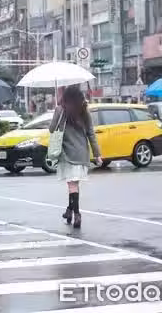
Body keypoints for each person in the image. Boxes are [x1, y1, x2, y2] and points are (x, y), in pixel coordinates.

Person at [49, 85, 102, 229]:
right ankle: (69, 211)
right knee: (74, 185)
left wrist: (57, 111)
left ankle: (77, 214)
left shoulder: (61, 110)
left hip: (67, 153)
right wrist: (97, 154)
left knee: (72, 185)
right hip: (82, 153)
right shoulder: (84, 111)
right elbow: (91, 133)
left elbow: (52, 129)